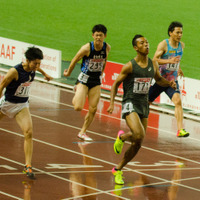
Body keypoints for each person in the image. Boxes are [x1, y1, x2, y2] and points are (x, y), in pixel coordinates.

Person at [107, 34, 176, 185]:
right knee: (138, 134)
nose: (146, 45)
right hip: (130, 102)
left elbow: (158, 79)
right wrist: (112, 103)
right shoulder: (130, 66)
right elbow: (115, 83)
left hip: (144, 104)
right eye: (142, 43)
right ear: (135, 47)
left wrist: (169, 83)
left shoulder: (153, 64)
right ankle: (123, 138)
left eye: (147, 42)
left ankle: (118, 168)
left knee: (138, 141)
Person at [0, 47, 53, 179]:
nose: (37, 66)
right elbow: (2, 86)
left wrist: (45, 73)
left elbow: (37, 68)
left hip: (22, 105)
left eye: (39, 63)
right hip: (6, 104)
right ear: (27, 61)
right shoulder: (14, 71)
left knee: (29, 132)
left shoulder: (33, 68)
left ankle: (27, 166)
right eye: (35, 63)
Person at [63, 24, 111, 141]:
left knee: (93, 109)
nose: (98, 38)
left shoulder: (107, 47)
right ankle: (77, 89)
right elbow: (75, 59)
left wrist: (102, 72)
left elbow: (104, 60)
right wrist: (68, 72)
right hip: (84, 79)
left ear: (104, 36)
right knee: (78, 107)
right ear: (92, 35)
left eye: (100, 35)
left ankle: (83, 132)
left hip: (96, 81)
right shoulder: (87, 48)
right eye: (96, 35)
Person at [149, 21, 189, 137]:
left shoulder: (182, 45)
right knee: (146, 103)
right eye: (177, 32)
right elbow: (155, 59)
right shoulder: (164, 45)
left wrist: (179, 68)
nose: (180, 35)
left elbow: (177, 59)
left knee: (178, 101)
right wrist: (169, 61)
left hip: (172, 81)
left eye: (181, 32)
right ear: (170, 33)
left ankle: (180, 130)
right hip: (160, 80)